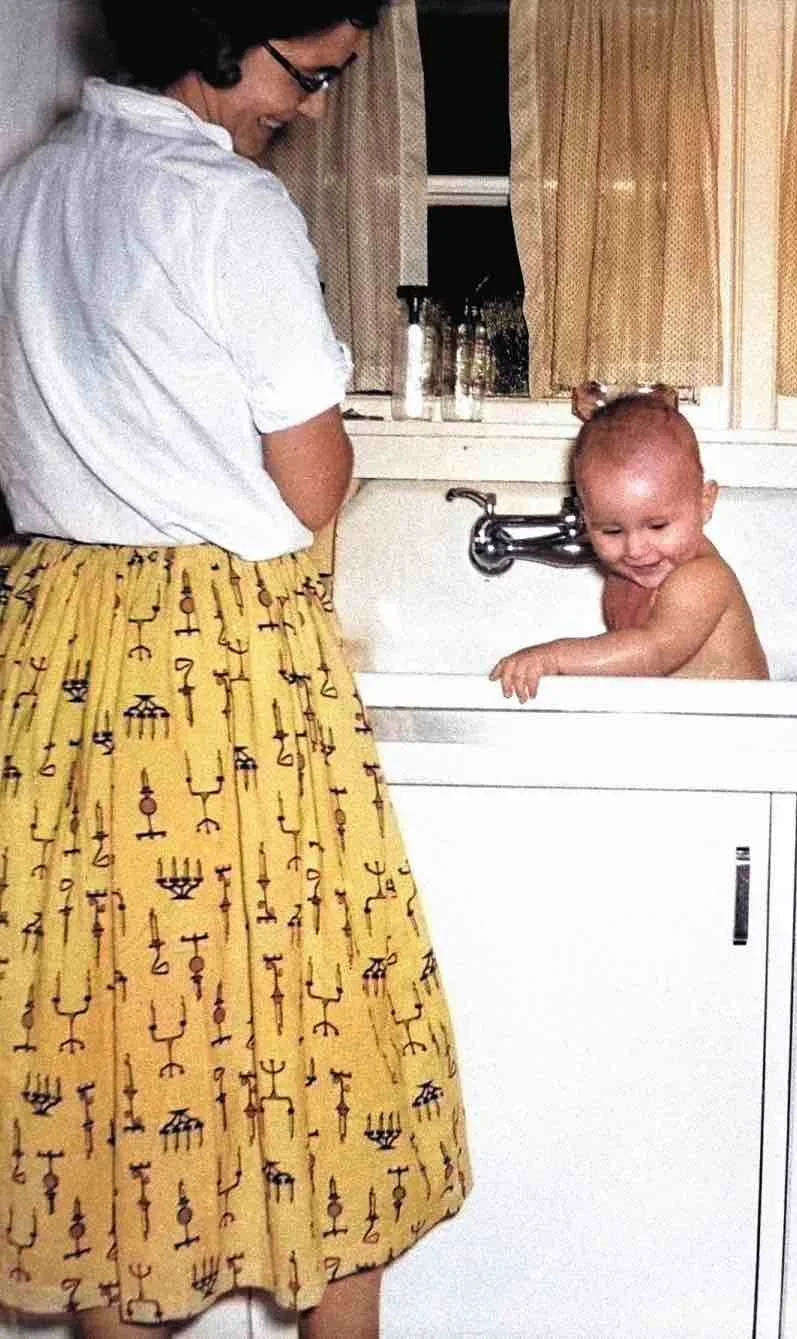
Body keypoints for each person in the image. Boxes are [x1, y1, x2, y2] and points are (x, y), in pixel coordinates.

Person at [0, 6, 470, 1338]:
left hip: (51, 654)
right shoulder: (229, 207)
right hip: (221, 673)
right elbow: (313, 484)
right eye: (306, 76)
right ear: (221, 25)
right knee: (324, 1077)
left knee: (115, 1094)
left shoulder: (26, 190)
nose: (312, 110)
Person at [490, 394, 769, 701]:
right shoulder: (622, 579)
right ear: (586, 520)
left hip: (736, 737)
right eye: (612, 530)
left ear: (705, 503)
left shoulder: (703, 580)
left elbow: (653, 652)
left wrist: (554, 658)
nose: (635, 549)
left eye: (658, 526)